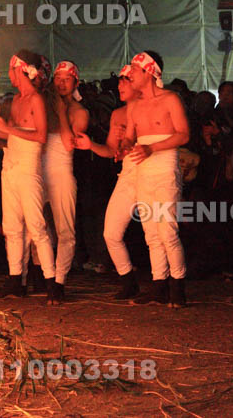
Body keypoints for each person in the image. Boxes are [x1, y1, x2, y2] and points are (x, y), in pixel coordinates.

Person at [121, 51, 191, 306]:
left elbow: (183, 135)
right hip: (143, 169)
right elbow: (130, 136)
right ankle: (159, 284)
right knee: (151, 232)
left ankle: (177, 285)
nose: (130, 75)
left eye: (134, 70)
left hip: (164, 168)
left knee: (167, 230)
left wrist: (152, 148)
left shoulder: (170, 99)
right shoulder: (135, 105)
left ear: (149, 72)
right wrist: (125, 145)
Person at [0, 51, 59, 303]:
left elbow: (41, 136)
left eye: (10, 70)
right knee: (11, 226)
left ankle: (51, 283)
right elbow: (12, 135)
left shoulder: (35, 100)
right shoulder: (17, 100)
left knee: (36, 225)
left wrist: (7, 129)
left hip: (29, 167)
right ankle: (15, 279)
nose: (8, 75)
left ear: (20, 70)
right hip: (10, 164)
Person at [77, 65, 141, 298]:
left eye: (124, 82)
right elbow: (111, 149)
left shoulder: (153, 109)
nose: (119, 87)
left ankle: (167, 284)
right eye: (119, 83)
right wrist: (90, 145)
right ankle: (128, 281)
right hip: (127, 175)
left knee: (159, 234)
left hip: (153, 173)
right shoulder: (118, 114)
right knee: (111, 232)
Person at [42, 61, 89, 302]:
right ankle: (43, 276)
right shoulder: (44, 105)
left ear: (75, 83)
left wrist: (62, 112)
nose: (61, 82)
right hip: (39, 172)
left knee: (65, 231)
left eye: (66, 79)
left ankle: (59, 281)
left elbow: (70, 142)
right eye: (58, 78)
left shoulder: (80, 112)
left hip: (61, 172)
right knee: (38, 229)